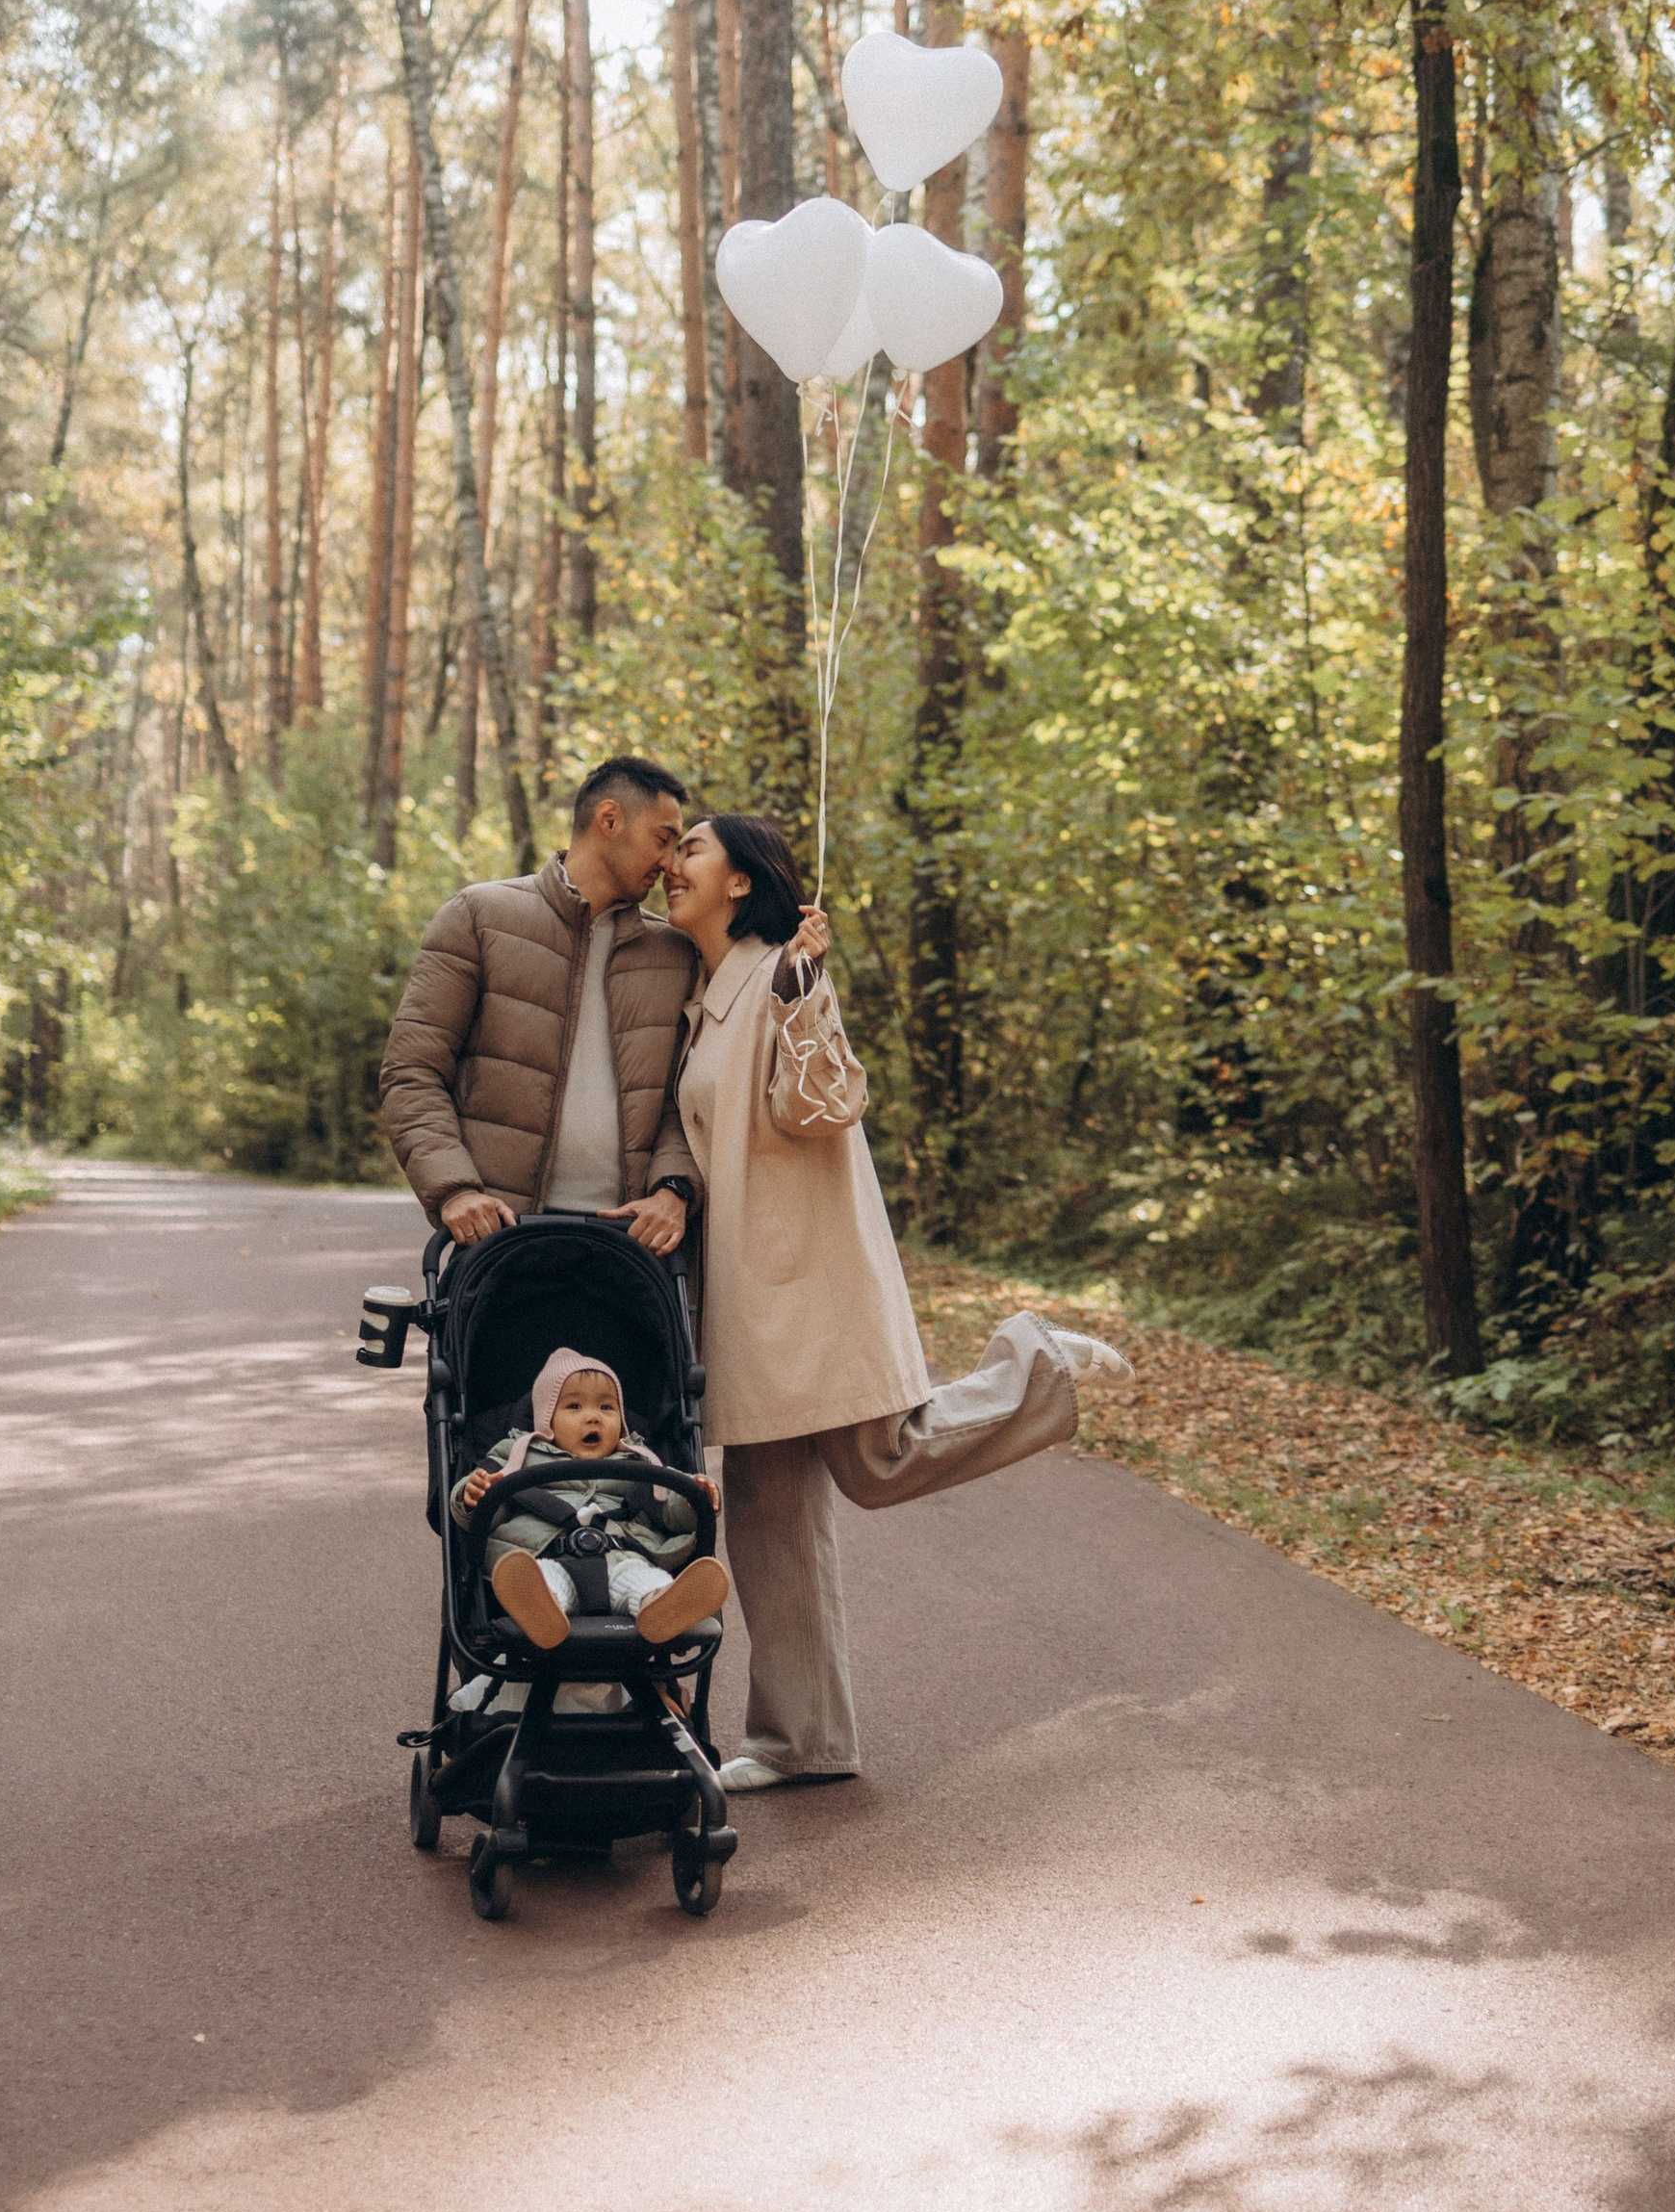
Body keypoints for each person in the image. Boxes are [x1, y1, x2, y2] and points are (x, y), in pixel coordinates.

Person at [664, 810, 1126, 1789]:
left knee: (879, 1460)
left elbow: (825, 1106)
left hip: (809, 1278)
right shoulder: (703, 995)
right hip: (748, 1290)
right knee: (766, 1507)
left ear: (740, 880)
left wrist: (804, 993)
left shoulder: (780, 972)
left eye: (690, 850)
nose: (672, 866)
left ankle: (1035, 1360)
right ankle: (804, 1742)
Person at [379, 756, 701, 1254]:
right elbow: (412, 1072)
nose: (670, 863)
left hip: (629, 1247)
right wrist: (455, 1189)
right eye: (663, 839)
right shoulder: (479, 917)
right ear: (609, 820)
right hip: (500, 1239)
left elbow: (687, 1101)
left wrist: (673, 1190)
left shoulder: (675, 953)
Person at [455, 1346, 729, 1652]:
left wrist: (693, 1499)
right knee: (543, 1583)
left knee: (646, 1581)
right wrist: (473, 1495)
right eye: (575, 1407)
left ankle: (666, 1606)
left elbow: (666, 1510)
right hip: (544, 1554)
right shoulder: (516, 1455)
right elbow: (487, 1513)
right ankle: (542, 1612)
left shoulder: (640, 1463)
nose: (593, 1417)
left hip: (624, 1556)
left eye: (606, 1408)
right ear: (547, 1418)